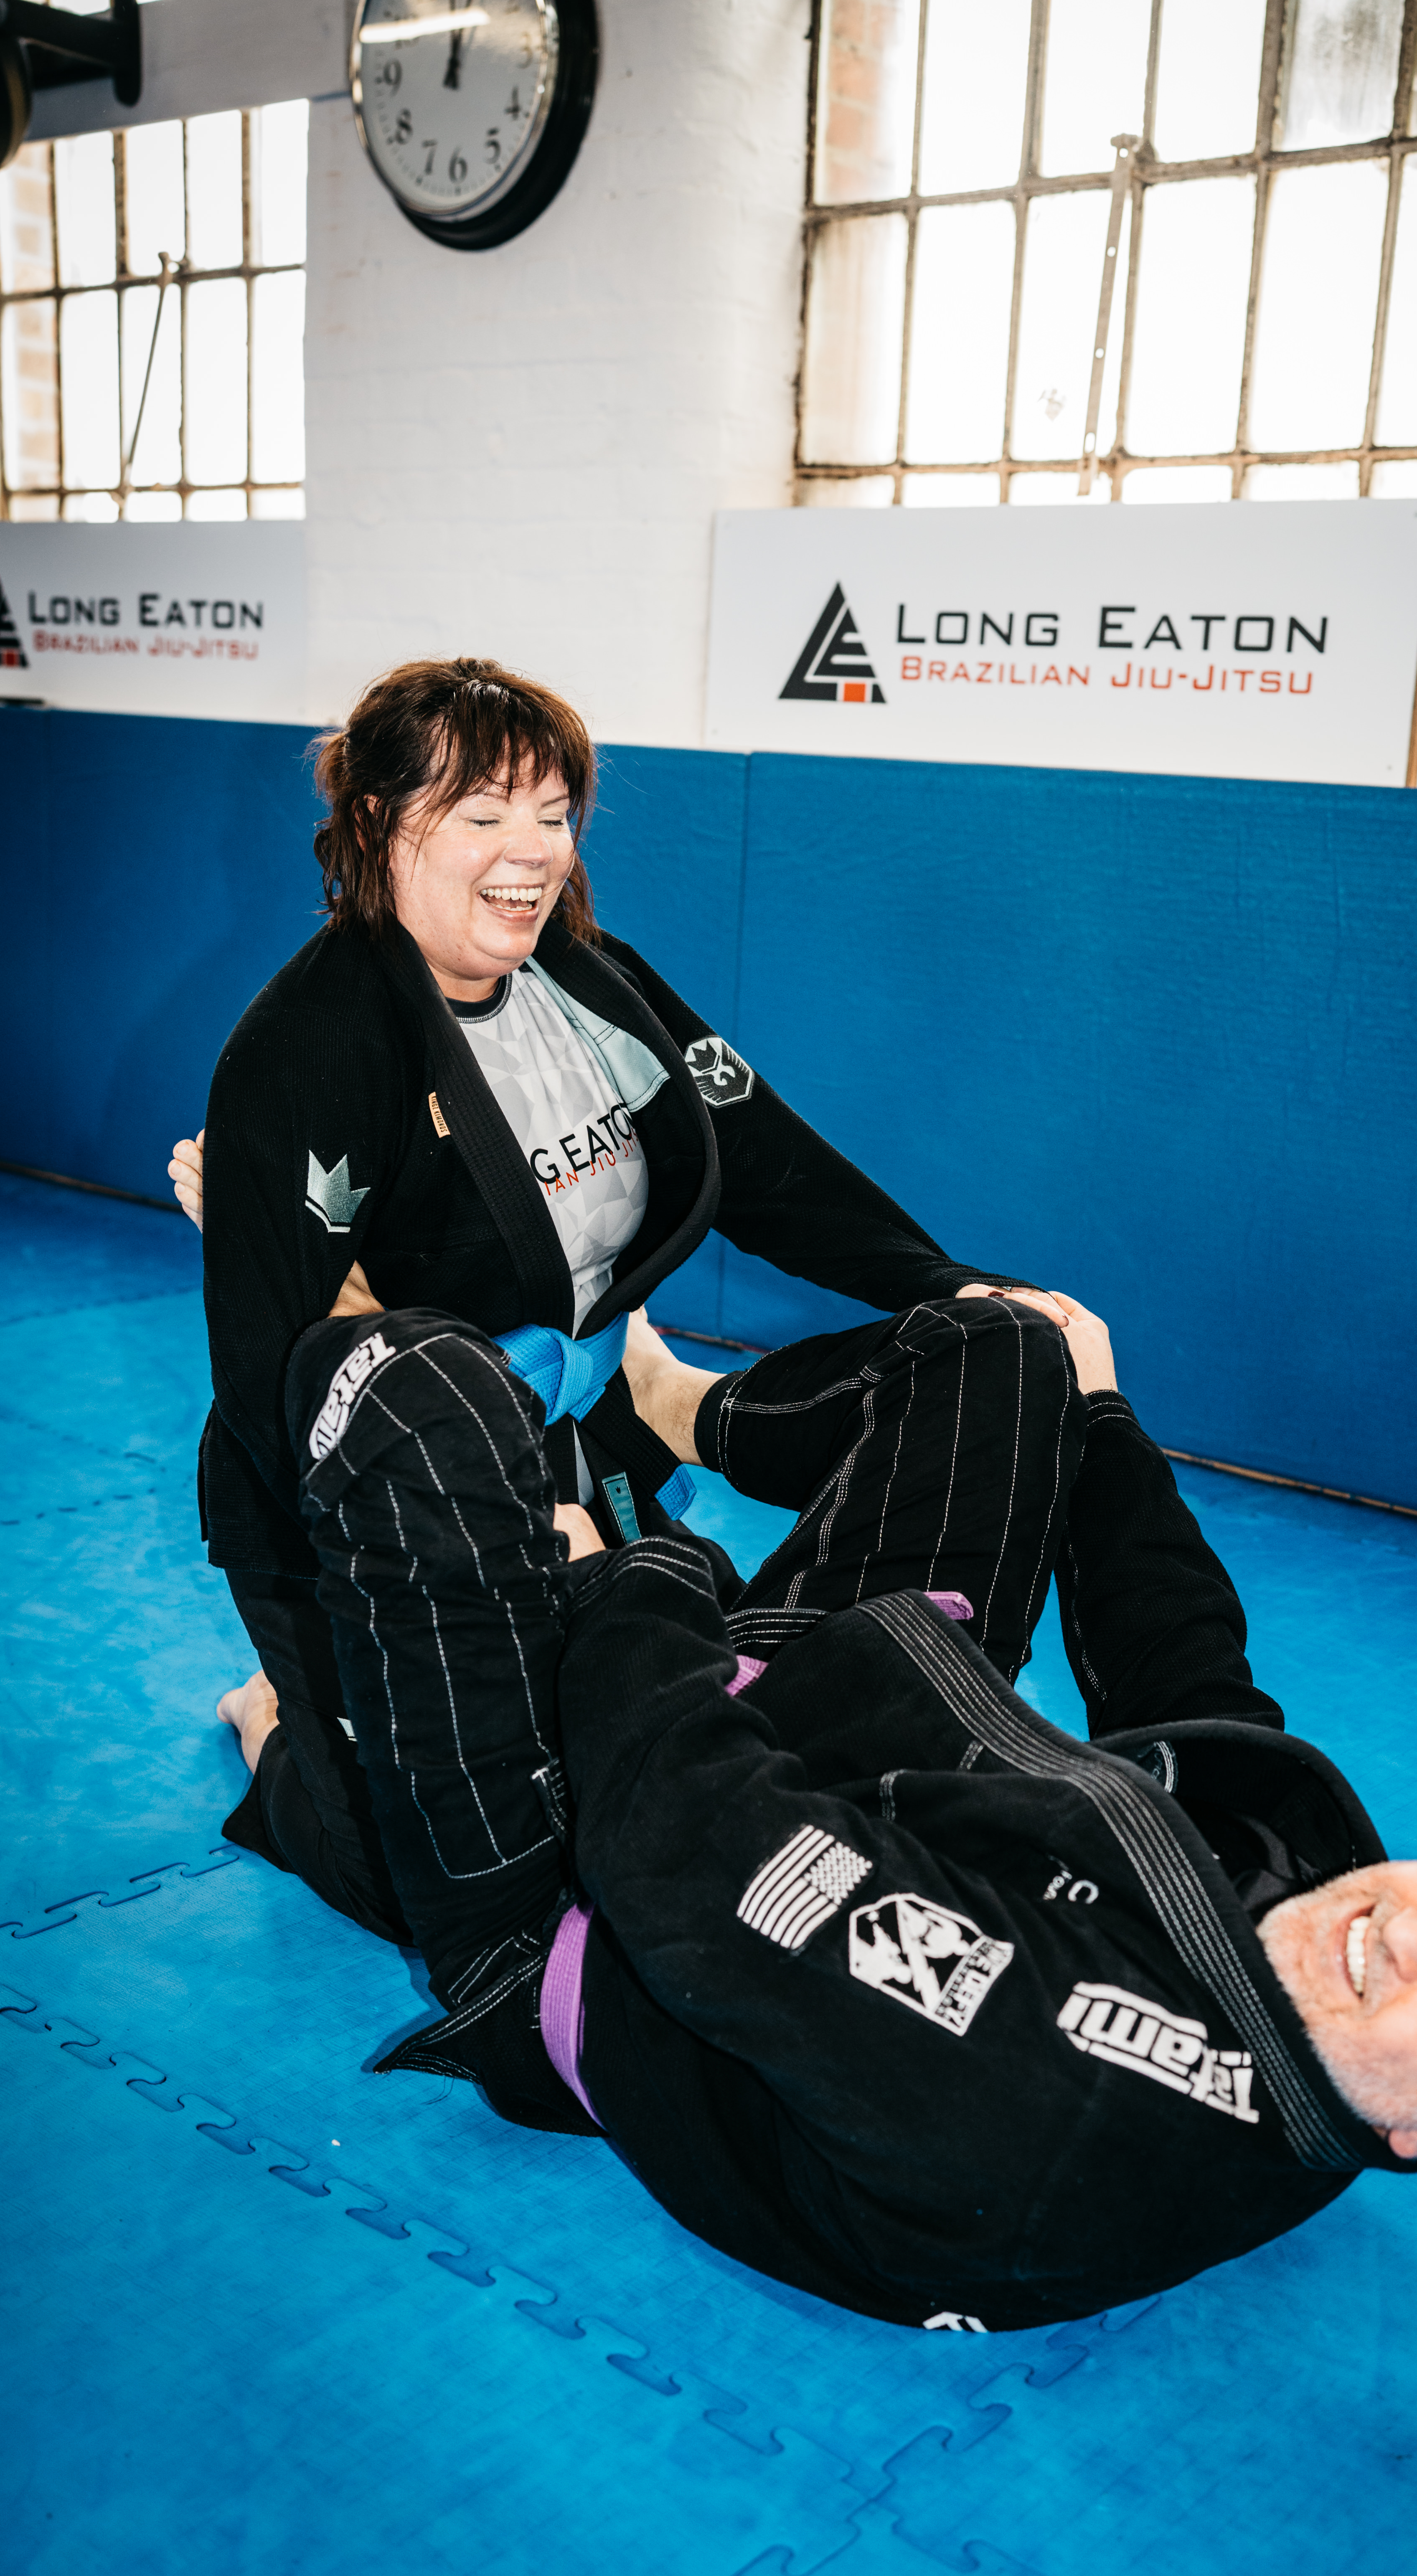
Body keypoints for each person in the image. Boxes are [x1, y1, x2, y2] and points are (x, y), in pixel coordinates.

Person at [216, 1284, 1417, 2333]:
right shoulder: (1317, 1940)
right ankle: (688, 1412)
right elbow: (1195, 1685)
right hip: (835, 1720)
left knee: (409, 1395)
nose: (1415, 1937)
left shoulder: (1046, 2094)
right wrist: (1108, 1413)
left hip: (579, 1908)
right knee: (1015, 1354)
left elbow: (687, 1846)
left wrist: (629, 1577)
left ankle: (297, 1741)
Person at [185, 655, 1057, 1939]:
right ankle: (278, 1720)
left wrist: (955, 1286)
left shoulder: (598, 983)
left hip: (587, 1443)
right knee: (458, 1879)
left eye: (552, 813)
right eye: (479, 814)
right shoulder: (309, 1048)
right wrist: (464, 1543)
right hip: (397, 1495)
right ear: (375, 824)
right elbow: (270, 1374)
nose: (528, 851)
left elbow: (766, 1162)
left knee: (692, 1768)